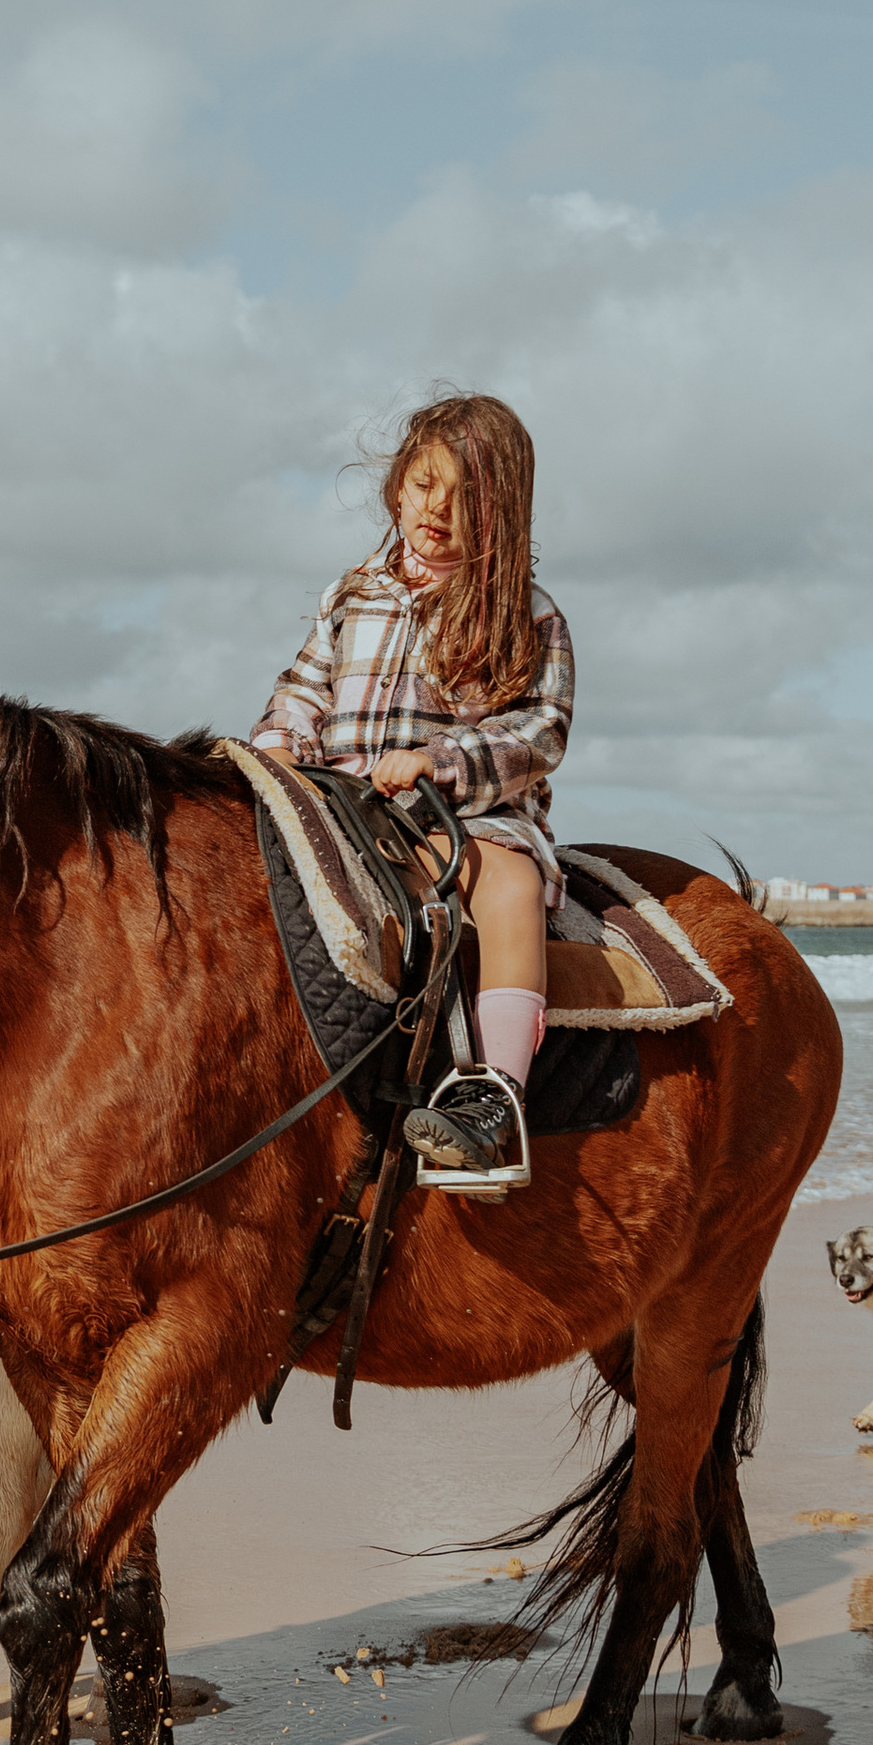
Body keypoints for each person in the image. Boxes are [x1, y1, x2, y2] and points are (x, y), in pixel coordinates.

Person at [249, 392, 573, 1195]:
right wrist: (277, 746)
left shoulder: (530, 617)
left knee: (508, 887)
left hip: (464, 817)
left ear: (503, 516)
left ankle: (495, 1104)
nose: (440, 509)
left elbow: (542, 731)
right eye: (428, 484)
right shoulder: (349, 595)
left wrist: (441, 757)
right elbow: (300, 693)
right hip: (341, 805)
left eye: (468, 498)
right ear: (399, 485)